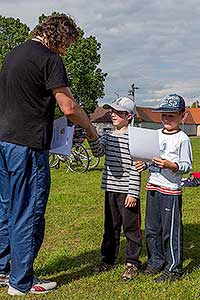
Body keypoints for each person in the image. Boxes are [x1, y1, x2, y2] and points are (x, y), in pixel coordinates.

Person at [0, 14, 97, 296]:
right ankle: (22, 282)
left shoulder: (13, 55)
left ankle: (4, 269)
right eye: (67, 44)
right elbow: (68, 107)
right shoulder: (49, 58)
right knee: (28, 211)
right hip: (28, 145)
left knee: (6, 208)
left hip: (4, 142)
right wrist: (90, 128)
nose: (67, 50)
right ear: (59, 36)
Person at [135, 94, 193, 282]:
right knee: (152, 229)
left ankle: (174, 268)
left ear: (182, 116)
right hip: (153, 186)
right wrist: (143, 165)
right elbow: (151, 159)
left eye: (172, 116)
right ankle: (156, 261)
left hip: (170, 191)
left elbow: (187, 166)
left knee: (171, 231)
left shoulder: (183, 139)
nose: (167, 120)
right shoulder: (156, 135)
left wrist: (171, 165)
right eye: (164, 116)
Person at [88, 97, 142, 280]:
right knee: (110, 227)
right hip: (111, 188)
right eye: (112, 111)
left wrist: (133, 192)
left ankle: (132, 263)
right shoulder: (108, 135)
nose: (113, 115)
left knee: (131, 228)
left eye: (118, 112)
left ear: (129, 116)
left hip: (128, 191)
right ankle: (108, 260)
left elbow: (137, 166)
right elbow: (98, 152)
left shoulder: (135, 138)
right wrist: (92, 136)